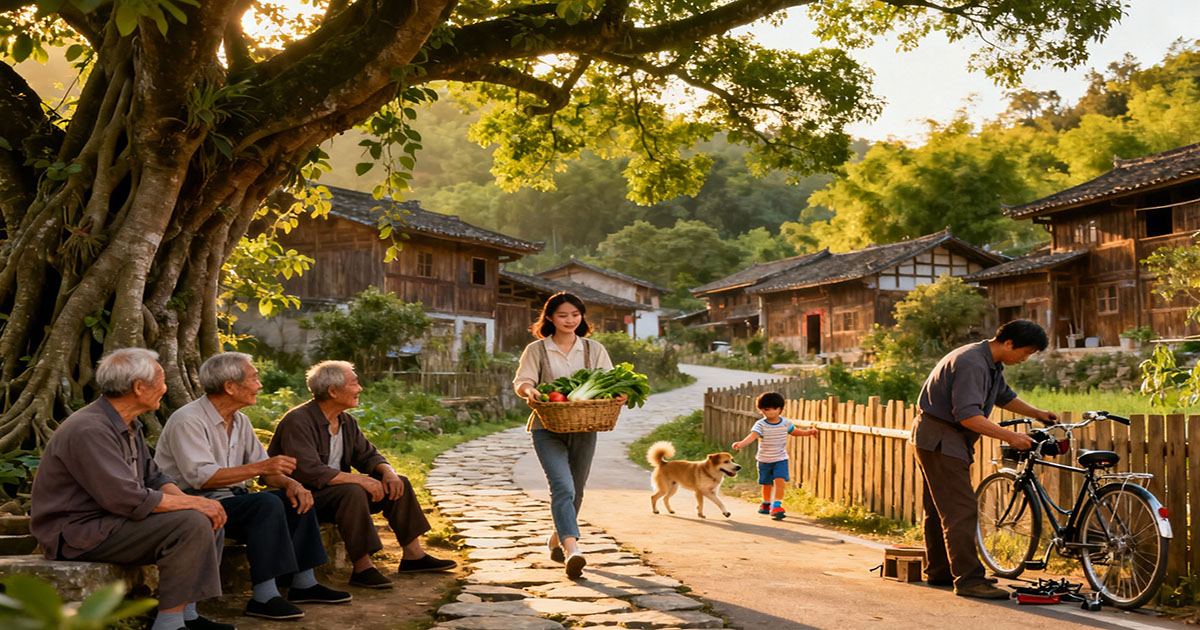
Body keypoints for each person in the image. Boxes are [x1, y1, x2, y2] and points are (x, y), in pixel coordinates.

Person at [30, 348, 230, 630]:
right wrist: (195, 505)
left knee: (210, 518)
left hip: (112, 523)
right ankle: (169, 624)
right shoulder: (90, 429)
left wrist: (197, 503)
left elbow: (155, 478)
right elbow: (125, 499)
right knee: (191, 522)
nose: (165, 388)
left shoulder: (128, 424)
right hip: (79, 534)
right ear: (138, 387)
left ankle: (188, 614)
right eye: (161, 380)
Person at [155, 353, 351, 621]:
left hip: (232, 500)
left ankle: (304, 583)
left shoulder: (240, 421)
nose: (260, 385)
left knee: (294, 498)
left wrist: (291, 483)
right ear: (230, 387)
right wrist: (263, 469)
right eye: (254, 378)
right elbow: (202, 477)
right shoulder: (188, 420)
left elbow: (265, 470)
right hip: (193, 501)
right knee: (266, 503)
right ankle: (264, 596)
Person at [268, 360, 456, 590]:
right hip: (304, 497)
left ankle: (413, 556)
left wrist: (387, 472)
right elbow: (309, 471)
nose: (360, 389)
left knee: (399, 483)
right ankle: (362, 567)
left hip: (337, 494)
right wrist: (361, 479)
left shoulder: (346, 421)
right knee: (353, 490)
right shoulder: (298, 420)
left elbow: (368, 455)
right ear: (333, 391)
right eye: (354, 383)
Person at [910, 319, 1057, 599]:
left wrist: (1036, 412)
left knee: (940, 509)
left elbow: (1002, 395)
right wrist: (1010, 437)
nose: (1024, 359)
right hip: (943, 437)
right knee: (961, 510)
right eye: (1024, 352)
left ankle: (941, 571)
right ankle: (969, 580)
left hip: (934, 436)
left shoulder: (987, 359)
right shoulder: (972, 363)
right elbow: (968, 416)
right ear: (1008, 342)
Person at [513, 292, 625, 579]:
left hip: (585, 428)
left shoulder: (593, 349)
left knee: (577, 490)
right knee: (562, 487)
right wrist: (530, 391)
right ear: (549, 317)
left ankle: (556, 538)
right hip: (546, 426)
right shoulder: (537, 350)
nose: (570, 320)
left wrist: (619, 395)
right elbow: (523, 381)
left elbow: (609, 380)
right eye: (563, 315)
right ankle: (572, 550)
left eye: (575, 315)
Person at [731, 391, 818, 520]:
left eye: (775, 409)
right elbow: (753, 436)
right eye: (767, 409)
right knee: (766, 484)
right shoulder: (760, 424)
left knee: (780, 481)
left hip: (780, 459)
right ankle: (766, 503)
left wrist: (808, 432)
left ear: (781, 409)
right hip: (764, 460)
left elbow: (795, 432)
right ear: (760, 410)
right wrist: (741, 444)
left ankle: (777, 505)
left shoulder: (785, 423)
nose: (772, 412)